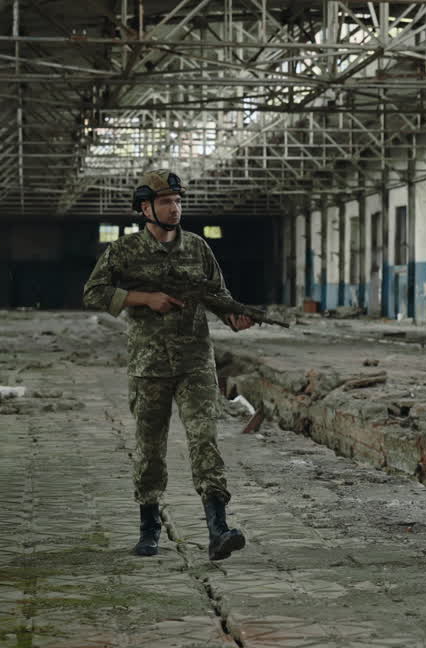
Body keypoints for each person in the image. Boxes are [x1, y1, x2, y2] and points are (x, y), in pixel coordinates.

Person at [82, 170, 254, 560]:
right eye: (165, 202)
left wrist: (234, 318)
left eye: (178, 202)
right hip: (149, 365)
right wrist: (144, 299)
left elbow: (218, 294)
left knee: (205, 440)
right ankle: (149, 528)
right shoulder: (124, 251)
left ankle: (218, 528)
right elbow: (93, 293)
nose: (174, 208)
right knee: (149, 450)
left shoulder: (197, 248)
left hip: (195, 361)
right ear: (145, 208)